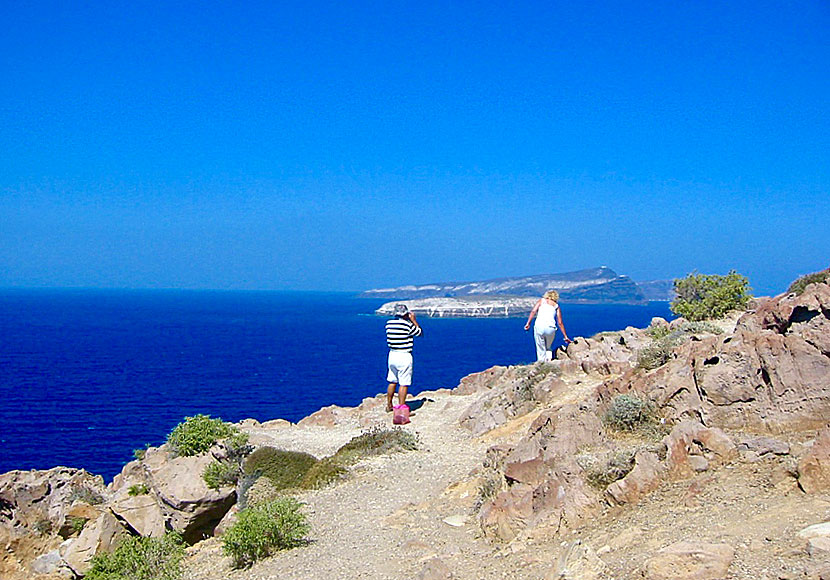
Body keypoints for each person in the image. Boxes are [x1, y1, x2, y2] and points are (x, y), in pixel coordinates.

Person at [385, 303, 423, 412]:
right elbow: (419, 333)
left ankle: (389, 404)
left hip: (392, 354)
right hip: (404, 355)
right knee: (404, 383)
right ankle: (401, 409)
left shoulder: (389, 324)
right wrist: (414, 320)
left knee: (392, 380)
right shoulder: (407, 325)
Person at [524, 290, 571, 362]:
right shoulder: (556, 306)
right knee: (548, 347)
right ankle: (549, 361)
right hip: (551, 328)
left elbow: (533, 311)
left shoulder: (541, 301)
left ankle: (541, 363)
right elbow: (560, 322)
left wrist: (528, 323)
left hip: (539, 326)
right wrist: (565, 336)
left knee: (540, 348)